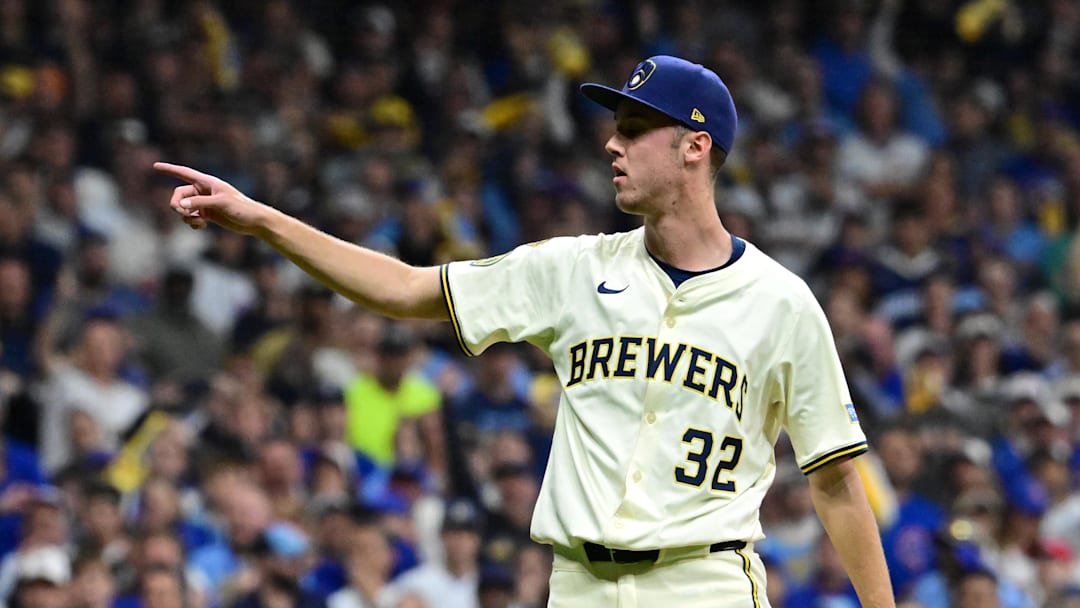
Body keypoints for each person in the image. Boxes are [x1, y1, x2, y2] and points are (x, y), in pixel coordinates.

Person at [154, 54, 894, 607]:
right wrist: (262, 220)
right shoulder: (571, 269)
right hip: (576, 585)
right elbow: (407, 289)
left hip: (704, 583)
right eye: (614, 129)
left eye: (635, 130)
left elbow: (833, 481)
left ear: (695, 147)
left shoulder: (781, 303)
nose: (613, 144)